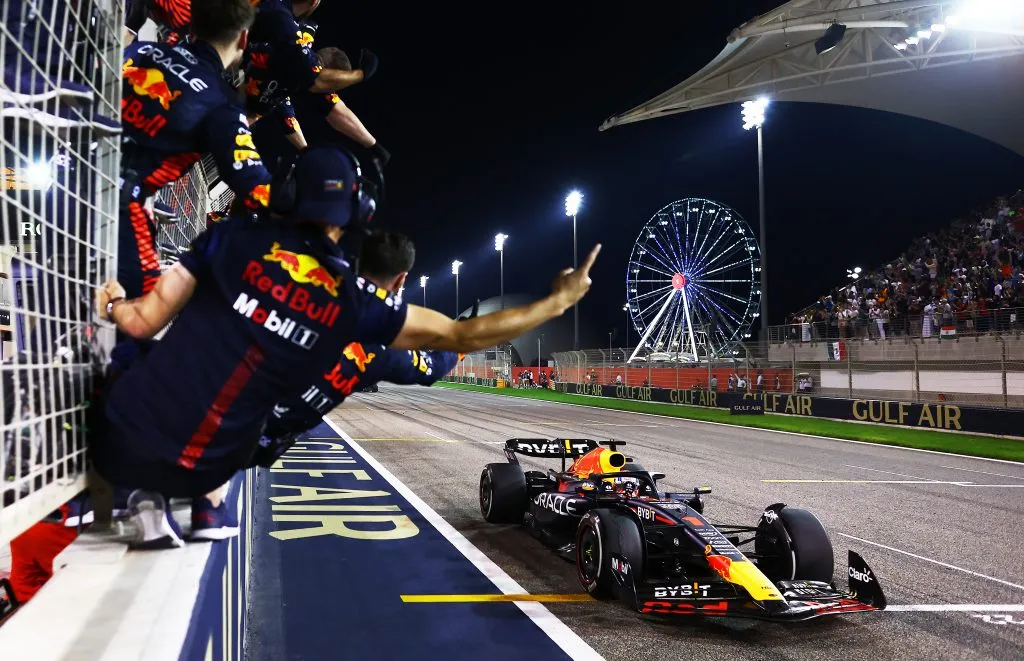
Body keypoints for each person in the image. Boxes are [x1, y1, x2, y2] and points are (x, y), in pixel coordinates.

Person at [93, 147, 600, 547]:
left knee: (145, 354)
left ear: (288, 193)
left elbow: (141, 321)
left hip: (123, 441)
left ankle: (141, 495)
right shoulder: (356, 308)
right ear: (357, 212)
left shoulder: (229, 238)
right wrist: (556, 303)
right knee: (254, 409)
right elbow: (457, 338)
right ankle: (204, 506)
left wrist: (114, 304)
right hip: (219, 457)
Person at [117, 0, 273, 368]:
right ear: (244, 38)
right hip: (119, 208)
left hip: (59, 186)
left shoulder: (140, 49)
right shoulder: (220, 105)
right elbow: (258, 190)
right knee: (142, 318)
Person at [250, 231, 462, 470]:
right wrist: (459, 346)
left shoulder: (314, 287)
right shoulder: (382, 345)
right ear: (401, 280)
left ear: (360, 263)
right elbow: (430, 368)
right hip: (249, 440)